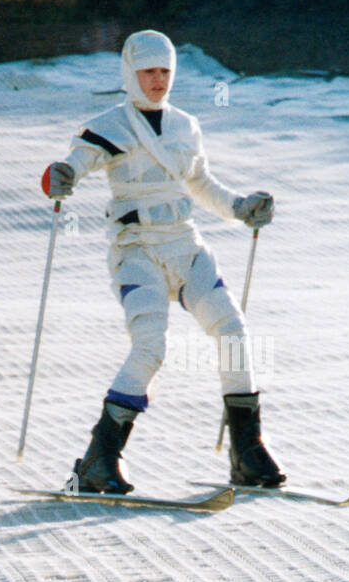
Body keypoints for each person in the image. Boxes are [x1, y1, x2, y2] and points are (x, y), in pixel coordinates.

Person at [42, 30, 283, 493]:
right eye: (148, 72)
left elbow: (200, 183)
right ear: (131, 74)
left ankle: (248, 450)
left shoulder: (184, 126)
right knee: (150, 346)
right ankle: (100, 458)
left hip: (184, 245)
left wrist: (239, 207)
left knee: (232, 331)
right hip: (137, 250)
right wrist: (61, 176)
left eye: (165, 72)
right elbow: (73, 165)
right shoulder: (109, 125)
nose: (157, 81)